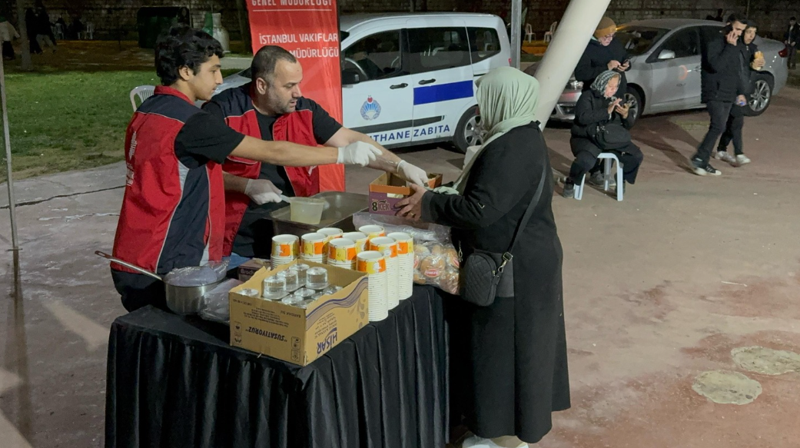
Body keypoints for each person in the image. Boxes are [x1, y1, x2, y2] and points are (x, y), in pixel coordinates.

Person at [111, 26, 385, 312]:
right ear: (185, 72)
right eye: (213, 70)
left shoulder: (149, 109)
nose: (220, 79)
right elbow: (273, 151)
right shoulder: (193, 122)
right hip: (162, 260)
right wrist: (341, 154)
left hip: (133, 251)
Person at [395, 67, 570, 448]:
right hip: (528, 261)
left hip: (513, 269)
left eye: (485, 95)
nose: (480, 104)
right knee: (520, 350)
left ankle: (499, 434)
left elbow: (481, 210)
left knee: (504, 351)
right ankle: (508, 429)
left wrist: (429, 203)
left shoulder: (510, 146)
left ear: (501, 99)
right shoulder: (520, 134)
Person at [204, 45, 428, 259]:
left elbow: (351, 139)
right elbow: (203, 174)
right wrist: (245, 185)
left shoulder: (306, 110)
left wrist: (399, 166)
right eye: (289, 86)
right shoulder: (223, 113)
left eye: (299, 84)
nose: (298, 93)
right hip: (239, 241)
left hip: (297, 231)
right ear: (262, 85)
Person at [562, 70, 643, 198]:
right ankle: (571, 180)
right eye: (610, 87)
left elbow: (627, 125)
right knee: (585, 161)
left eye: (616, 87)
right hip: (587, 137)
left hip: (609, 138)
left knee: (635, 156)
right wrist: (607, 111)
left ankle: (622, 178)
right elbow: (583, 118)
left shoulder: (616, 99)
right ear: (602, 84)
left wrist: (626, 115)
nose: (613, 90)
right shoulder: (588, 96)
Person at [690, 15, 748, 176]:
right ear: (728, 25)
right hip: (714, 92)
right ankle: (699, 159)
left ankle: (702, 159)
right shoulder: (714, 41)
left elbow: (736, 71)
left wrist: (740, 92)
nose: (738, 33)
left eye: (741, 31)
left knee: (721, 126)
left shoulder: (736, 45)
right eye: (736, 29)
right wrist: (729, 47)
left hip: (729, 93)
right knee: (718, 126)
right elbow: (716, 66)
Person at [715, 20, 763, 167]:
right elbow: (735, 71)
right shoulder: (736, 47)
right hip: (735, 90)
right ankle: (739, 153)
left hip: (744, 90)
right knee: (737, 120)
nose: (751, 35)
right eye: (748, 32)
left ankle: (721, 149)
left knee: (732, 122)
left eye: (754, 33)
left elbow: (751, 70)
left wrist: (757, 66)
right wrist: (739, 92)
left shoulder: (753, 48)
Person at [575, 16, 630, 94]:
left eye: (613, 35)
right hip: (597, 97)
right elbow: (581, 74)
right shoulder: (586, 48)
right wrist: (607, 67)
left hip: (618, 93)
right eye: (607, 36)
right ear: (598, 34)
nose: (610, 39)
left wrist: (626, 64)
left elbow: (624, 55)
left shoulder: (615, 42)